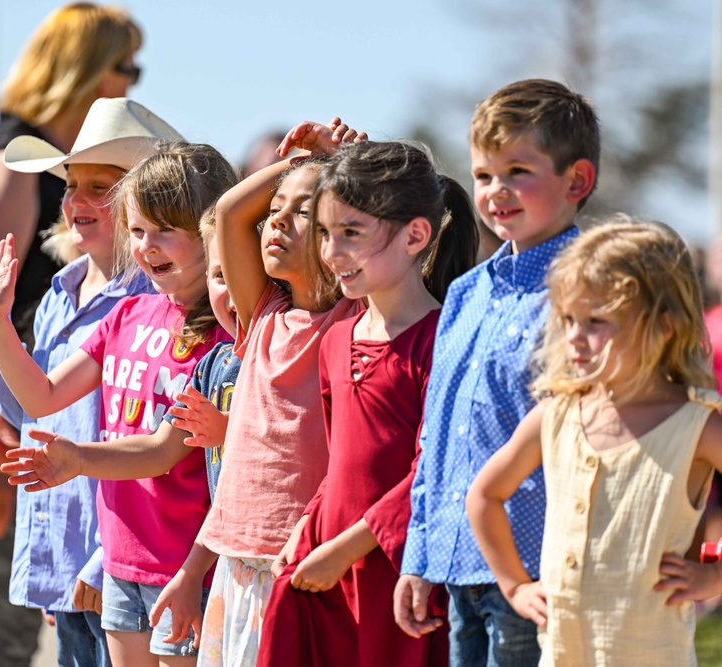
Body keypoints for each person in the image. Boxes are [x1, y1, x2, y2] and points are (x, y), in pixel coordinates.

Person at [0, 5, 142, 664]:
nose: (133, 81)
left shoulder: (62, 167)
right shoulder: (14, 168)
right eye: (124, 66)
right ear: (85, 71)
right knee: (8, 632)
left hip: (37, 401)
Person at [0, 142, 237, 667]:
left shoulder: (224, 335)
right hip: (124, 561)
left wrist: (79, 459)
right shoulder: (127, 316)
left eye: (167, 229)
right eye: (139, 230)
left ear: (211, 232)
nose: (149, 246)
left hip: (186, 563)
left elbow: (162, 451)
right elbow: (41, 394)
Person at [394, 79, 600, 667]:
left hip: (540, 571)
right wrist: (419, 554)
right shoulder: (464, 293)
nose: (495, 191)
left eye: (517, 171)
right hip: (459, 564)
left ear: (577, 181)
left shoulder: (591, 292)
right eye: (484, 175)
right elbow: (436, 434)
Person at [258, 140, 478, 667]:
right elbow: (340, 464)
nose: (332, 254)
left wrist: (347, 548)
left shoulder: (447, 340)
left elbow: (438, 472)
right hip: (326, 571)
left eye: (351, 233)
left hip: (401, 579)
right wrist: (307, 529)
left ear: (416, 235)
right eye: (327, 234)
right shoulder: (336, 339)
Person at [466, 217, 722, 665]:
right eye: (568, 319)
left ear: (664, 327)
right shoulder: (555, 415)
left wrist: (714, 577)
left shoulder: (695, 425)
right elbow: (485, 495)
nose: (575, 339)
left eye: (597, 321)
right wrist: (514, 586)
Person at [193, 119, 364, 667]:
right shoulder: (263, 315)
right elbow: (228, 214)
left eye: (302, 213)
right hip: (238, 559)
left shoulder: (354, 319)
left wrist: (344, 169)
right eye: (275, 211)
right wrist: (297, 165)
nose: (276, 223)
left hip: (304, 555)